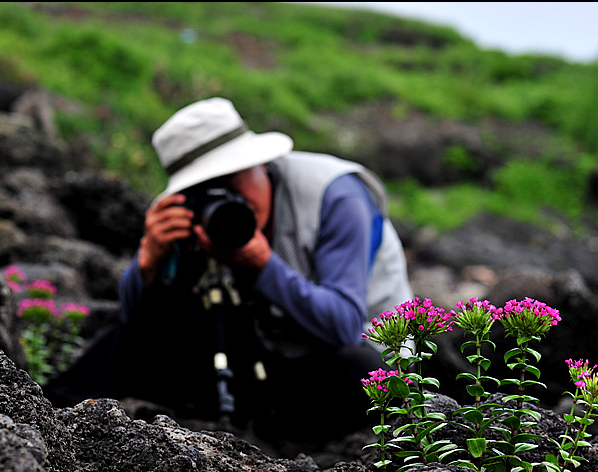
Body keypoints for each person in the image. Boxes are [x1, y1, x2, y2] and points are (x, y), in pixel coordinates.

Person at [44, 97, 413, 441]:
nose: (229, 202)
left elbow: (344, 326)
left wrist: (261, 265)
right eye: (207, 190)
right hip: (267, 355)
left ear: (260, 162)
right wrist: (149, 262)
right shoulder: (199, 220)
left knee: (356, 367)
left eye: (231, 181)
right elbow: (137, 320)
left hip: (359, 360)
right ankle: (48, 411)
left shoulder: (336, 196)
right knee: (141, 319)